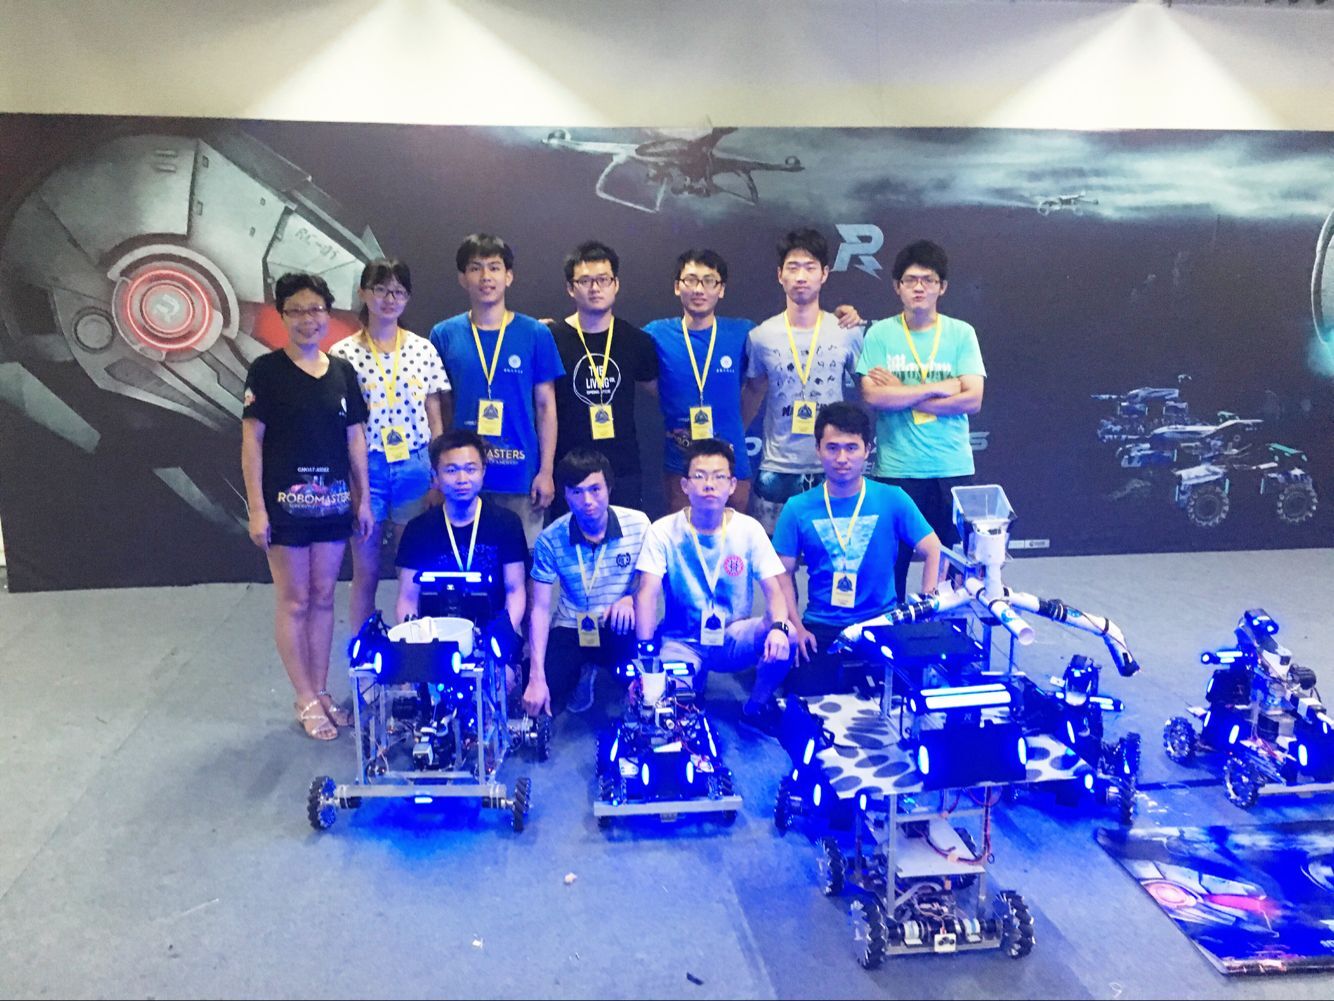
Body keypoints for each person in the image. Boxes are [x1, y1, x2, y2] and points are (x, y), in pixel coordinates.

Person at [241, 272, 373, 741]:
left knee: (323, 597)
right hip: (286, 508)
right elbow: (252, 444)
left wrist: (363, 498)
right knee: (294, 600)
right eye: (296, 310)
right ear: (282, 315)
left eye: (315, 309)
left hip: (334, 507)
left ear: (328, 314)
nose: (307, 319)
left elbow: (355, 439)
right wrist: (257, 508)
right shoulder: (266, 372)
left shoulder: (342, 372)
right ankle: (303, 696)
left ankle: (321, 690)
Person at [772, 402, 941, 695]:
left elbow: (934, 549)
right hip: (821, 627)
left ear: (867, 450)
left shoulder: (893, 498)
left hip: (882, 622)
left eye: (851, 448)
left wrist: (925, 610)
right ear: (818, 449)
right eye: (832, 448)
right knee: (807, 699)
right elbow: (781, 573)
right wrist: (796, 627)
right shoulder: (797, 508)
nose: (842, 458)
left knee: (900, 699)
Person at [857, 240, 984, 600]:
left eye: (928, 280)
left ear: (942, 287)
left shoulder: (961, 333)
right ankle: (891, 626)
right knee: (891, 563)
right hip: (897, 469)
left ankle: (949, 628)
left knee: (952, 565)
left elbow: (972, 399)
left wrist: (903, 392)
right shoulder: (880, 334)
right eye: (910, 280)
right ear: (896, 286)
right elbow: (874, 396)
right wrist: (940, 388)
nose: (919, 287)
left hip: (951, 468)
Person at [634, 438, 794, 726]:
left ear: (732, 485)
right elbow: (647, 594)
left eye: (719, 477)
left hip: (733, 635)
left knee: (789, 634)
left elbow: (775, 590)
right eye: (700, 476)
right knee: (667, 709)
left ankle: (755, 707)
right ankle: (691, 686)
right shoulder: (662, 531)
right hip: (682, 641)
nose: (709, 485)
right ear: (685, 485)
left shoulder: (749, 529)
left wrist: (779, 628)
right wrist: (645, 653)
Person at [330, 257, 449, 632]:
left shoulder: (423, 349)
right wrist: (355, 485)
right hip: (367, 469)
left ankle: (417, 646)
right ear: (363, 293)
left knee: (412, 568)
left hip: (415, 466)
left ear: (407, 298)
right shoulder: (341, 354)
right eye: (380, 289)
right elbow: (342, 424)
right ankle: (363, 650)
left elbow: (434, 414)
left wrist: (437, 474)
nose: (389, 298)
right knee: (365, 571)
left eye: (397, 291)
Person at [430, 234, 564, 547]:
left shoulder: (535, 333)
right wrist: (438, 473)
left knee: (523, 563)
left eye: (494, 267)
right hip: (462, 478)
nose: (486, 277)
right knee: (467, 562)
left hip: (521, 476)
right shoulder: (444, 335)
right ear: (462, 278)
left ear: (509, 276)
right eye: (475, 268)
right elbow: (438, 410)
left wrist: (546, 471)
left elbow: (546, 407)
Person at [742, 228, 865, 534]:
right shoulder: (761, 336)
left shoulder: (847, 331)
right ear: (779, 275)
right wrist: (731, 438)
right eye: (793, 267)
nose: (801, 277)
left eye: (810, 268)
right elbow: (753, 391)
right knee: (776, 559)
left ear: (824, 274)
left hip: (833, 465)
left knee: (837, 556)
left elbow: (868, 390)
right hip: (777, 468)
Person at [522, 449, 651, 717]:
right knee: (541, 688)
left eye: (595, 489)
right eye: (577, 492)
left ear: (609, 488)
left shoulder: (639, 525)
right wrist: (536, 676)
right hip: (572, 624)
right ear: (565, 494)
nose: (588, 501)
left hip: (619, 622)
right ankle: (582, 669)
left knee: (643, 687)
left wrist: (630, 599)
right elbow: (541, 609)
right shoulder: (550, 538)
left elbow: (652, 582)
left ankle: (606, 670)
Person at [545, 241, 658, 516]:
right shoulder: (551, 339)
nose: (595, 288)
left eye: (603, 279)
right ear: (570, 288)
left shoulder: (636, 340)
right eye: (585, 281)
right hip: (569, 469)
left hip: (622, 469)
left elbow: (662, 392)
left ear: (615, 284)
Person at [643, 250, 755, 514]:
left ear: (721, 289)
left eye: (709, 281)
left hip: (733, 459)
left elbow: (786, 337)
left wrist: (846, 316)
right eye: (690, 280)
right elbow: (613, 344)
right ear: (677, 286)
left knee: (734, 533)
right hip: (681, 461)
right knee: (684, 531)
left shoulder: (744, 332)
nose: (699, 289)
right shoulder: (656, 334)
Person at [394, 430, 527, 644]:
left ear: (483, 471)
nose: (462, 479)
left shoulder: (507, 524)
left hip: (492, 634)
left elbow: (515, 591)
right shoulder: (418, 530)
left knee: (508, 665)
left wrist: (501, 636)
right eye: (451, 470)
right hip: (434, 639)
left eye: (470, 469)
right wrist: (417, 641)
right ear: (435, 476)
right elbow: (407, 598)